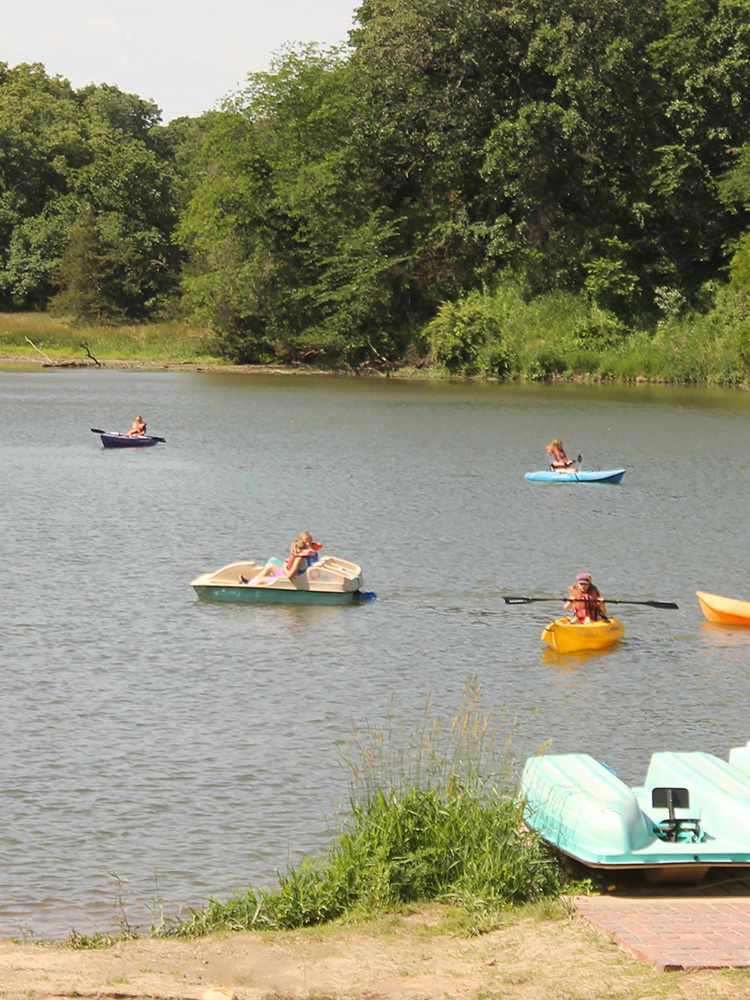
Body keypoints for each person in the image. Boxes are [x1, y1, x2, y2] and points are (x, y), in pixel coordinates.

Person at [241, 532, 323, 585]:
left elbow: (290, 575)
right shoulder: (310, 552)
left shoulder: (304, 556)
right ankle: (253, 581)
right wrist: (290, 562)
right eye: (306, 542)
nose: (308, 544)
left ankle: (252, 583)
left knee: (267, 570)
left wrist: (285, 565)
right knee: (271, 562)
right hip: (298, 574)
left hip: (291, 579)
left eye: (309, 541)